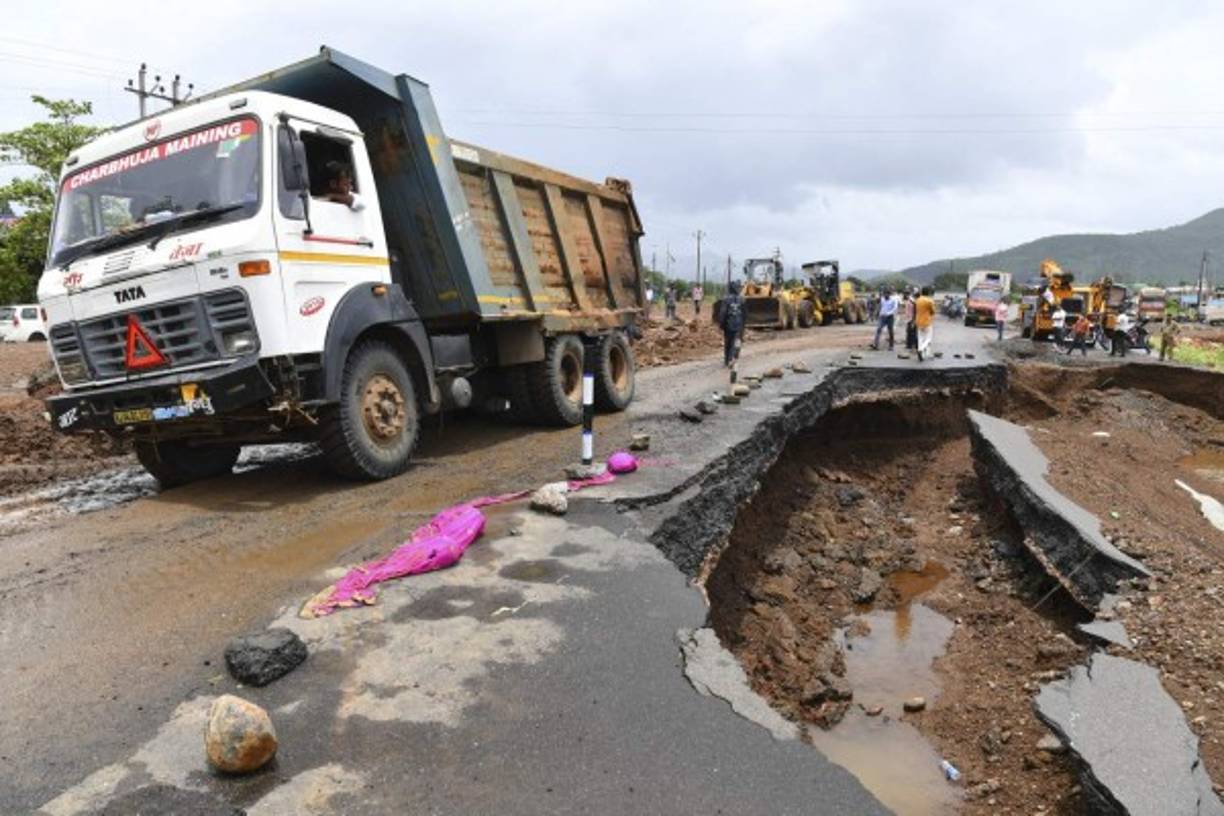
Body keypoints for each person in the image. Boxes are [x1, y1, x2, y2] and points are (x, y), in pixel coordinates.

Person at [719, 280, 745, 367]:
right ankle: (731, 359)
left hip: (728, 325)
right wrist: (743, 325)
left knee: (728, 343)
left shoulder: (726, 299)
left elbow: (723, 313)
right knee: (735, 342)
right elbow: (745, 314)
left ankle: (727, 360)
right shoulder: (742, 299)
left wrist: (721, 325)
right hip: (738, 325)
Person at [914, 286, 936, 361]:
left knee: (920, 338)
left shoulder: (918, 300)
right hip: (927, 322)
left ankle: (922, 354)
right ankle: (921, 349)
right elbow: (933, 311)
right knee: (928, 338)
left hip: (918, 321)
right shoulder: (929, 301)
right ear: (928, 292)